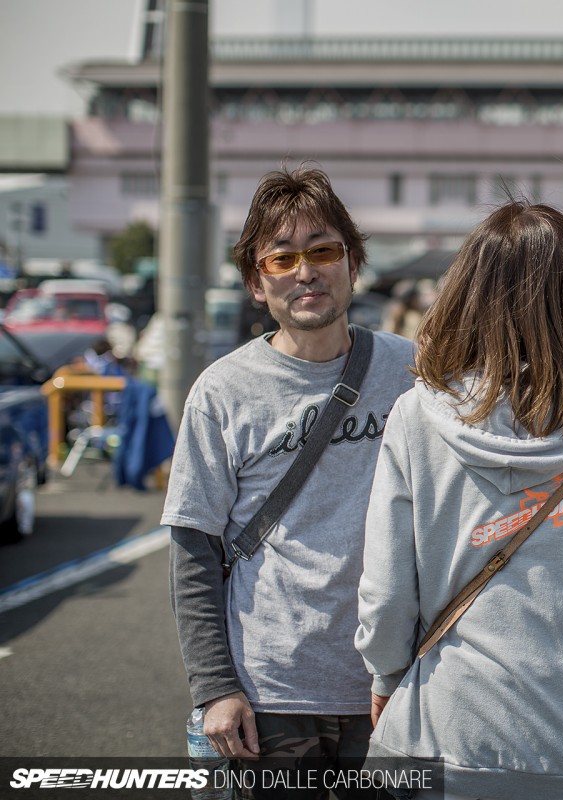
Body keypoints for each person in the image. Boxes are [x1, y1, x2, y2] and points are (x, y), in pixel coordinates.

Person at [355, 200, 563, 800]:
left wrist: (384, 675)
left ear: (466, 297)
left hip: (438, 729)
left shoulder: (417, 417)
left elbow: (387, 592)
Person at [164, 166, 416, 798]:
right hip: (270, 692)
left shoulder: (412, 372)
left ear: (353, 264)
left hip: (394, 683)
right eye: (282, 259)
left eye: (324, 251)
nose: (306, 272)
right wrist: (215, 689)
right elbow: (195, 551)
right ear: (256, 281)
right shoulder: (222, 393)